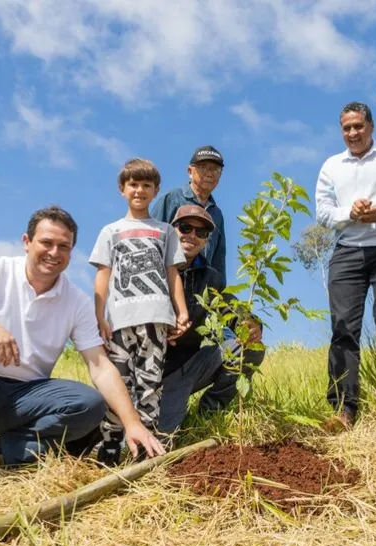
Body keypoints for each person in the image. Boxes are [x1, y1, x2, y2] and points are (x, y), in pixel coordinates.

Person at [0, 205, 165, 497]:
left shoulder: (77, 302)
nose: (54, 252)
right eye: (46, 243)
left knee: (90, 404)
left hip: (25, 399)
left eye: (64, 246)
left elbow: (100, 366)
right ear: (26, 242)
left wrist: (132, 422)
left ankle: (4, 449)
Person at [315, 101, 376, 433]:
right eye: (347, 128)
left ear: (371, 126)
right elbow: (324, 213)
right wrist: (350, 213)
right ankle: (344, 409)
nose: (353, 133)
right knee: (343, 327)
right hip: (347, 250)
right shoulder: (331, 166)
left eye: (358, 126)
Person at [89, 158, 190, 466]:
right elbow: (103, 275)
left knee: (150, 386)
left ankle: (145, 451)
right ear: (122, 189)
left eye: (147, 185)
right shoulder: (111, 231)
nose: (140, 190)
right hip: (120, 321)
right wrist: (99, 315)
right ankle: (110, 446)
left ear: (156, 190)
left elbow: (172, 273)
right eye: (133, 184)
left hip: (156, 320)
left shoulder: (165, 231)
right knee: (118, 385)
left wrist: (181, 311)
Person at [156, 204, 265, 437]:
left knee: (249, 348)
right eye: (185, 228)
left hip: (189, 367)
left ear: (206, 241)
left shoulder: (210, 277)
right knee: (158, 442)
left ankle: (207, 413)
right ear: (172, 230)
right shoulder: (151, 266)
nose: (192, 236)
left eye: (201, 233)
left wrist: (251, 323)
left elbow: (231, 307)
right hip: (148, 374)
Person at [151, 145, 228, 278]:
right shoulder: (172, 199)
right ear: (190, 171)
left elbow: (218, 261)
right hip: (168, 281)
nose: (210, 173)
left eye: (215, 169)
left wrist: (218, 293)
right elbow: (151, 241)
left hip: (199, 290)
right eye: (203, 167)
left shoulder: (217, 214)